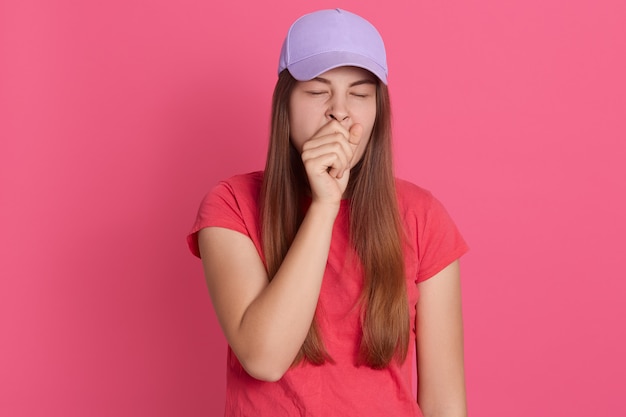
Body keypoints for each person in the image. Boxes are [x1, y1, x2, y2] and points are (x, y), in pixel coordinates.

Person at [188, 8, 469, 417]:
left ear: (378, 112)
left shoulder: (422, 217)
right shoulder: (230, 205)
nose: (340, 110)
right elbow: (263, 358)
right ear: (285, 104)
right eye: (318, 91)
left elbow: (445, 403)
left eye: (359, 94)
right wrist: (324, 205)